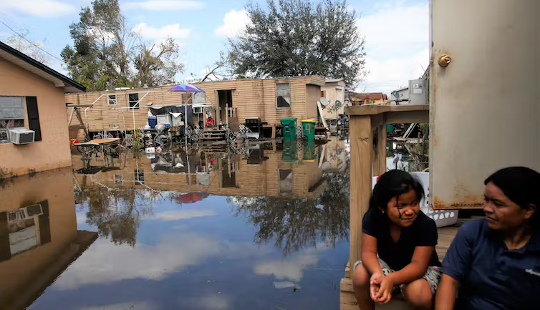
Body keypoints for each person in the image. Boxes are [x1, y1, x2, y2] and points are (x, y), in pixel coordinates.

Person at [435, 167, 540, 310]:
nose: (487, 208)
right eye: (486, 200)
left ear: (528, 210)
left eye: (498, 204)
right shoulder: (472, 232)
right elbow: (449, 281)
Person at [352, 170, 441, 310]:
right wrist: (377, 274)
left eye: (414, 203)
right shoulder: (373, 217)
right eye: (401, 206)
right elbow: (368, 252)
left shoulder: (426, 225)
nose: (410, 211)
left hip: (420, 272)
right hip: (389, 267)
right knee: (360, 273)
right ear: (382, 207)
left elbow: (419, 265)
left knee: (418, 292)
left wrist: (391, 280)